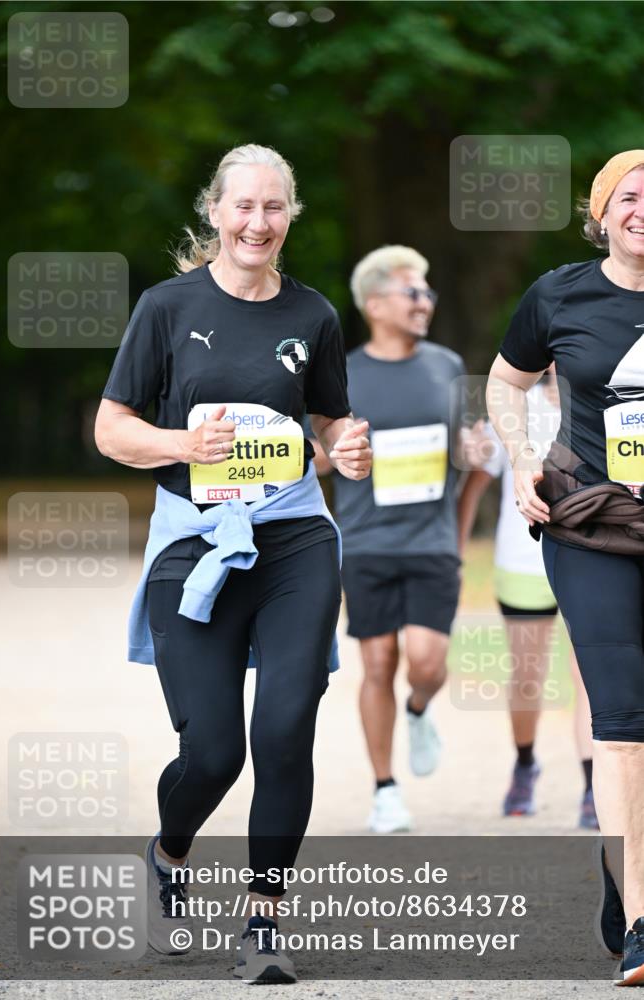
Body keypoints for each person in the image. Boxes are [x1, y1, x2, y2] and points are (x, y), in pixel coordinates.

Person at [94, 143, 372, 985]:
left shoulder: (314, 314)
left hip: (294, 538)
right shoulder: (166, 307)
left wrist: (346, 446)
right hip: (197, 544)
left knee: (284, 729)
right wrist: (181, 442)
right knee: (213, 752)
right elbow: (112, 428)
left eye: (273, 208)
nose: (257, 223)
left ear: (290, 216)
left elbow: (329, 423)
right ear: (214, 212)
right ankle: (170, 852)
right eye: (242, 206)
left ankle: (264, 923)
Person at [485, 150, 644, 986]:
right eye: (628, 196)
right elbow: (505, 384)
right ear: (601, 211)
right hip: (593, 529)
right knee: (622, 720)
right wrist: (519, 459)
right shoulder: (558, 294)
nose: (641, 208)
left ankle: (623, 883)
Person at [312, 244, 472, 834]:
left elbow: (469, 453)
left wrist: (467, 477)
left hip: (431, 542)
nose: (425, 301)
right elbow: (320, 459)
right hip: (366, 541)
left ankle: (420, 708)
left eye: (428, 291)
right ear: (376, 302)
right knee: (378, 660)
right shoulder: (342, 373)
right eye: (413, 291)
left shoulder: (447, 365)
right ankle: (385, 789)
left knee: (427, 663)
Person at [457, 367, 598, 828]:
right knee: (528, 678)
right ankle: (524, 763)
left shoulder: (602, 400)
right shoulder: (512, 404)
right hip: (523, 560)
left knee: (590, 680)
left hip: (593, 556)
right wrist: (456, 552)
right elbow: (475, 484)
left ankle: (594, 785)